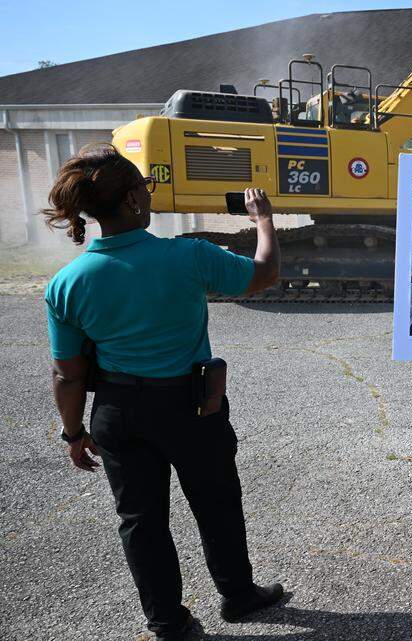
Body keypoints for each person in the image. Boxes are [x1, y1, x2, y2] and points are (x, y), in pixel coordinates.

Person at [42, 143, 284, 640]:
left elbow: (68, 375)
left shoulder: (65, 283)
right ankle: (238, 596)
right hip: (192, 407)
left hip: (118, 412)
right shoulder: (188, 255)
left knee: (141, 521)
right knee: (216, 503)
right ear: (133, 199)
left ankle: (169, 624)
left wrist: (73, 433)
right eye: (146, 187)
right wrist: (263, 219)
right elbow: (264, 274)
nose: (149, 195)